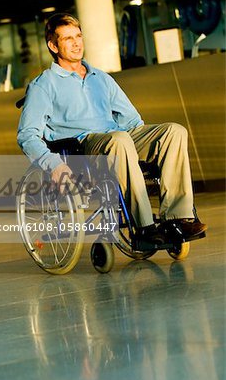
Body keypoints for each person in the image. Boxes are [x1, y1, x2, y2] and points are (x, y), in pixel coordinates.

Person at [17, 13, 207, 244]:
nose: (76, 43)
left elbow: (131, 120)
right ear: (53, 45)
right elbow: (27, 135)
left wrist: (148, 140)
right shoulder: (44, 85)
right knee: (119, 139)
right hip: (83, 148)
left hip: (119, 139)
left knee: (174, 131)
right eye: (67, 38)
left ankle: (176, 219)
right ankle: (144, 227)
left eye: (78, 36)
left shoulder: (101, 78)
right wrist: (53, 164)